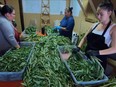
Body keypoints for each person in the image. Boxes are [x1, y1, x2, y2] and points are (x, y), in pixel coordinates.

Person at [74, 1, 116, 70]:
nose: (98, 17)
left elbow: (114, 49)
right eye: (97, 14)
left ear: (109, 13)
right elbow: (85, 38)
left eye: (101, 14)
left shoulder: (113, 28)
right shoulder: (94, 25)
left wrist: (97, 52)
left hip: (99, 62)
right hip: (87, 57)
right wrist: (79, 47)